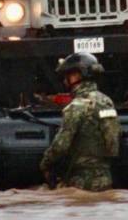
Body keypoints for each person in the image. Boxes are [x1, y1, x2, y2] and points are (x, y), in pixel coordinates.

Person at [39, 53, 120, 191]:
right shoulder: (107, 101)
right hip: (105, 179)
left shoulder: (75, 107)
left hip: (81, 181)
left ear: (77, 75)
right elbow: (113, 142)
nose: (65, 81)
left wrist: (45, 164)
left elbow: (60, 146)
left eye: (67, 75)